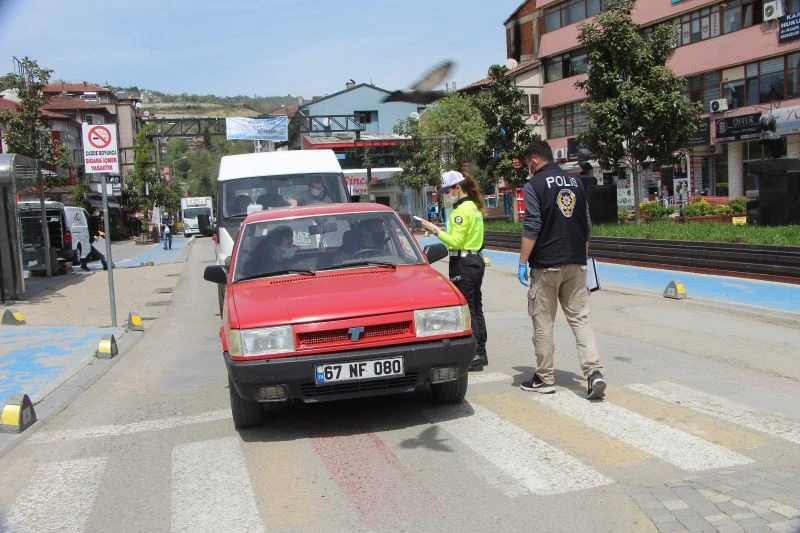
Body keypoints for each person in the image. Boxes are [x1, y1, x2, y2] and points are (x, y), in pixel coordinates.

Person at [517, 140, 606, 399]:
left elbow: (532, 225)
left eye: (528, 164)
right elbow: (586, 224)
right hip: (576, 262)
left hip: (546, 264)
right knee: (580, 319)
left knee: (543, 321)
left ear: (534, 161)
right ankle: (594, 373)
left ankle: (545, 378)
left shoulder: (534, 185)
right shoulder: (576, 182)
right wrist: (582, 256)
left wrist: (522, 262)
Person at [419, 170, 487, 372]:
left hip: (463, 262)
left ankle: (475, 354)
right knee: (476, 307)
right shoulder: (473, 207)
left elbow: (455, 241)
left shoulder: (460, 212)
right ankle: (481, 352)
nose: (446, 196)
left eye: (448, 191)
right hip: (475, 260)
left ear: (457, 188)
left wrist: (435, 230)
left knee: (468, 308)